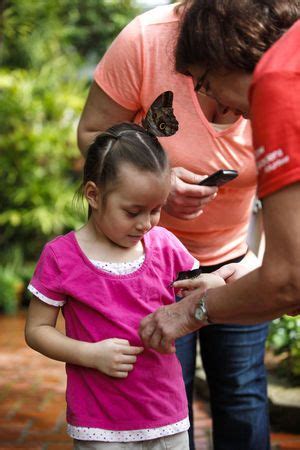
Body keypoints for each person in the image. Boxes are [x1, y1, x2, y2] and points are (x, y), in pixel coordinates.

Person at [77, 2, 271, 450]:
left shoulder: (281, 60)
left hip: (234, 259)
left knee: (242, 393)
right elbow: (92, 138)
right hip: (143, 266)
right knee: (162, 393)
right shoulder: (146, 40)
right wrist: (159, 185)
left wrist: (258, 264)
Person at [25, 122, 225, 450]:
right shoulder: (61, 256)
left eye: (156, 210)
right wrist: (89, 354)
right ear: (94, 195)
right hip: (100, 423)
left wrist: (215, 285)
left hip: (167, 415)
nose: (146, 223)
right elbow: (36, 330)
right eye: (133, 212)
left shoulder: (165, 245)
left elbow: (203, 291)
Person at [139, 0, 300, 395]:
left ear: (226, 54)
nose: (219, 105)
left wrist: (193, 312)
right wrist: (250, 279)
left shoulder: (277, 82)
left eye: (204, 83)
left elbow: (288, 281)